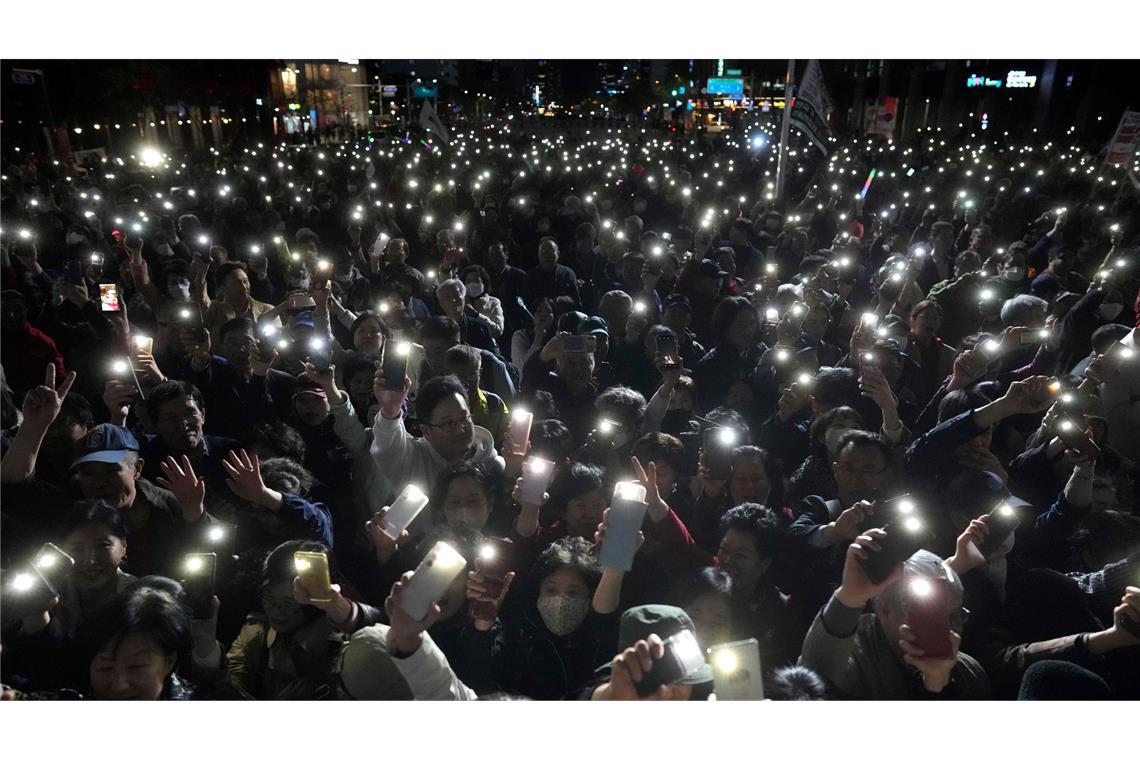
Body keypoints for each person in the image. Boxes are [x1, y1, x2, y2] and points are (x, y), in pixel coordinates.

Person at [800, 538, 991, 699]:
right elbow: (815, 675)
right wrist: (849, 598)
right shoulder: (855, 660)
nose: (948, 629)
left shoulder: (969, 673)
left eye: (955, 616)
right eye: (926, 612)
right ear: (884, 609)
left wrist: (938, 683)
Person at [371, 373, 504, 497]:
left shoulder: (493, 465)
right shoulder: (413, 460)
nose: (460, 429)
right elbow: (387, 449)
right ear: (426, 431)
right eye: (447, 424)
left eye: (464, 418)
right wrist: (390, 411)